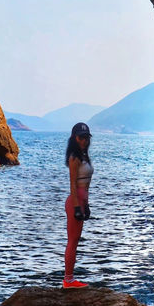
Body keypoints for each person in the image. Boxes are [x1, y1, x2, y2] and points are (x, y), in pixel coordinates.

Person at [63, 122, 94, 288]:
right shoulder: (74, 158)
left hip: (82, 202)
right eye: (81, 137)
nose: (84, 141)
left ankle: (70, 278)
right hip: (74, 203)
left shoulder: (84, 156)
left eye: (86, 138)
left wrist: (86, 205)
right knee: (72, 241)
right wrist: (76, 207)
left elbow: (86, 186)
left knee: (75, 241)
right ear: (75, 138)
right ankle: (68, 280)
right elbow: (73, 185)